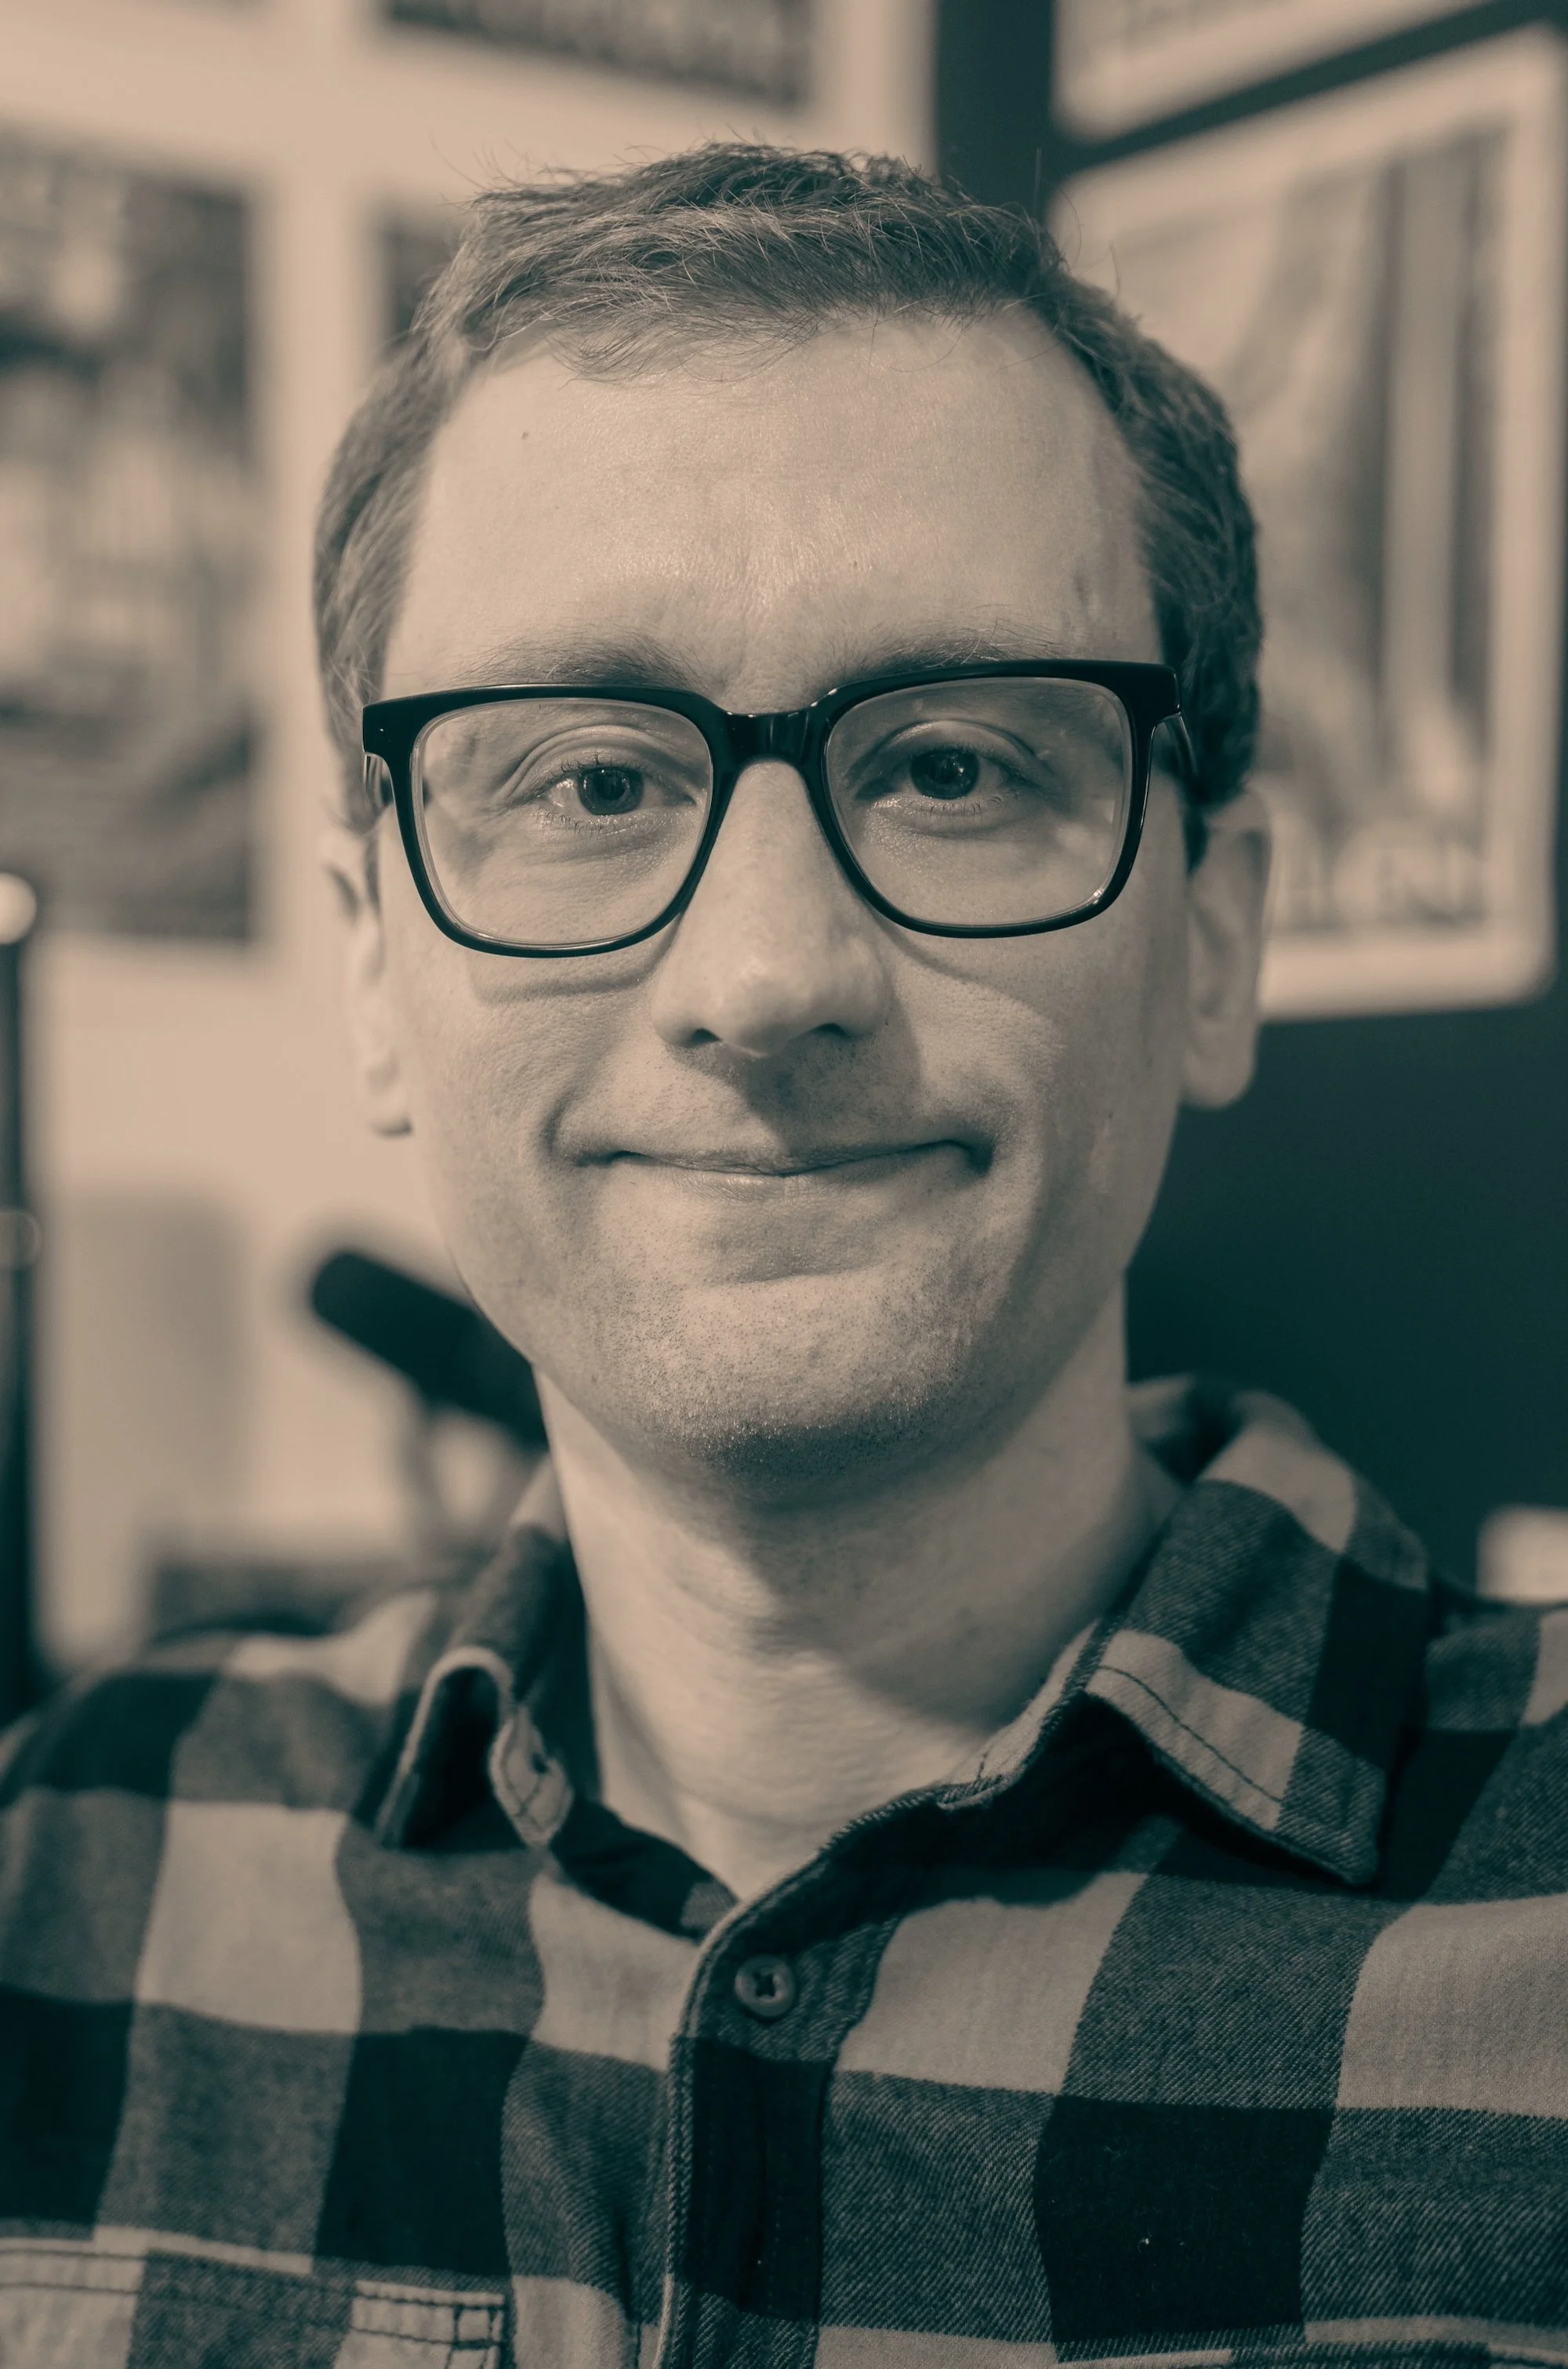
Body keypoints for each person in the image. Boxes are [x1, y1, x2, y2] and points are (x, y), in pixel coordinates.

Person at [1, 143, 1563, 2369]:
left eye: (948, 765)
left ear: (1215, 933)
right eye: (587, 784)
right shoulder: (76, 1858)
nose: (764, 972)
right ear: (374, 970)